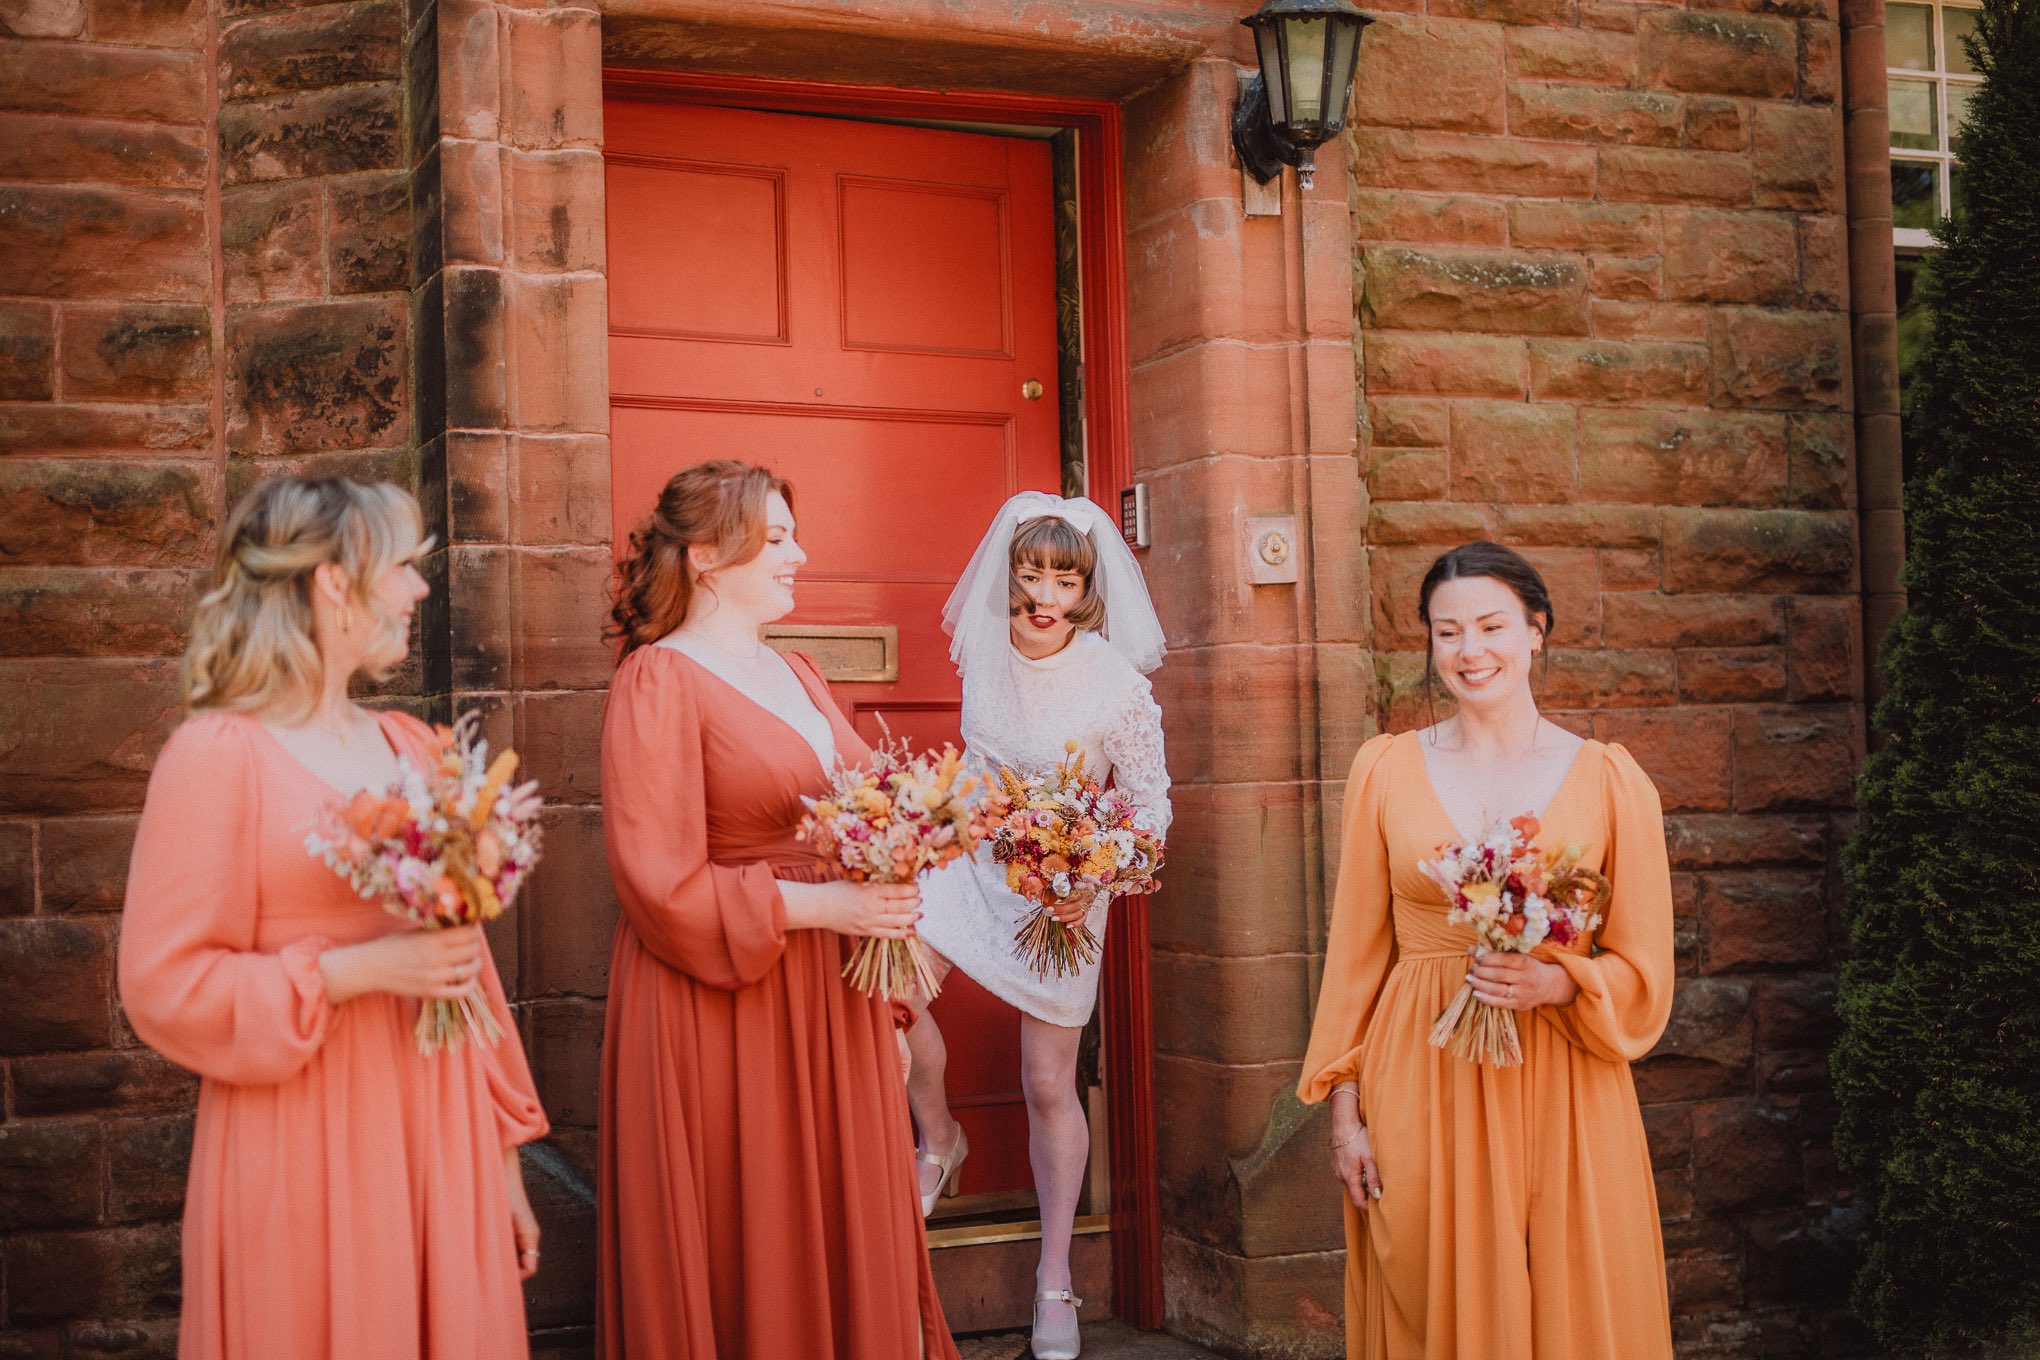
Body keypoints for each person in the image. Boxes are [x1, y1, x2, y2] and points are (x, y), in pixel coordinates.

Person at [118, 476, 548, 1359]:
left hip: (443, 1130)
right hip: (304, 1140)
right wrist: (353, 973)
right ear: (333, 584)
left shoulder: (413, 746)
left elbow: (469, 970)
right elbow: (161, 983)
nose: (420, 590)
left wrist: (503, 1158)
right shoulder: (215, 757)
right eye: (402, 568)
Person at [596, 459, 960, 1359]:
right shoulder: (657, 682)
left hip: (830, 993)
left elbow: (861, 815)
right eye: (781, 537)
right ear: (708, 556)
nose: (804, 554)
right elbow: (658, 882)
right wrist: (826, 905)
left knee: (843, 1221)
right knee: (748, 1225)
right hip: (721, 999)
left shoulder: (796, 672)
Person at [1299, 540, 1675, 1360]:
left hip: (1564, 1081)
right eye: (1447, 633)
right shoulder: (1386, 770)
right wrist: (1344, 1112)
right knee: (1433, 1299)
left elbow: (1645, 970)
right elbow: (1357, 954)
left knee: (1575, 1293)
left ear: (1536, 631)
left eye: (1492, 626)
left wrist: (1560, 980)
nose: (1472, 652)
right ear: (1430, 645)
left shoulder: (1611, 780)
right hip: (1422, 1076)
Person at [904, 492, 1170, 1360]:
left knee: (1049, 1082)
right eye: (1032, 574)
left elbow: (1148, 806)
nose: (1045, 594)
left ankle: (1055, 1279)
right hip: (978, 862)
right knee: (890, 990)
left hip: (1065, 889)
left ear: (1089, 586)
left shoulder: (1116, 685)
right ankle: (940, 1137)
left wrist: (1093, 874)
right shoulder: (985, 654)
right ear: (1010, 576)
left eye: (1065, 577)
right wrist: (948, 826)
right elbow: (976, 768)